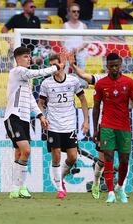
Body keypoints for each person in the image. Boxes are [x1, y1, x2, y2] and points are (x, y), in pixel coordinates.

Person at [4, 46, 63, 199]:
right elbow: (36, 73)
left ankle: (17, 189)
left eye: (29, 56)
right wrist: (55, 67)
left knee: (19, 153)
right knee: (27, 151)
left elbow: (30, 99)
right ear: (17, 59)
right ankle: (19, 186)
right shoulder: (17, 71)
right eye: (25, 56)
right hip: (13, 117)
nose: (28, 59)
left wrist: (40, 116)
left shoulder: (24, 79)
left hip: (24, 119)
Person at [93, 53, 133, 203]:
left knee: (124, 160)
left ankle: (120, 187)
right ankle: (110, 192)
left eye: (116, 66)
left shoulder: (129, 82)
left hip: (124, 126)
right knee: (108, 156)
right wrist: (96, 129)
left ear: (121, 64)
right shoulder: (101, 84)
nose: (114, 69)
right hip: (107, 125)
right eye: (111, 66)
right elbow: (96, 108)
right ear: (106, 66)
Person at [38, 53, 89, 199]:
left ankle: (60, 177)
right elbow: (40, 103)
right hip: (53, 125)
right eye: (51, 65)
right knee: (56, 156)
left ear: (62, 64)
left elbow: (83, 101)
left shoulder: (73, 81)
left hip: (70, 125)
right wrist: (41, 117)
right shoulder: (46, 83)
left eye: (56, 65)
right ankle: (60, 188)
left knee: (72, 157)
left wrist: (86, 121)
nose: (54, 68)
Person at [63, 3, 88, 83]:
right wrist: (68, 51)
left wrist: (78, 49)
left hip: (80, 55)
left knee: (81, 77)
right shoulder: (65, 26)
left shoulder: (83, 26)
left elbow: (86, 41)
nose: (76, 13)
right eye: (74, 11)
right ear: (69, 12)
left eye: (78, 11)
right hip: (67, 55)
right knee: (65, 76)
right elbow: (61, 42)